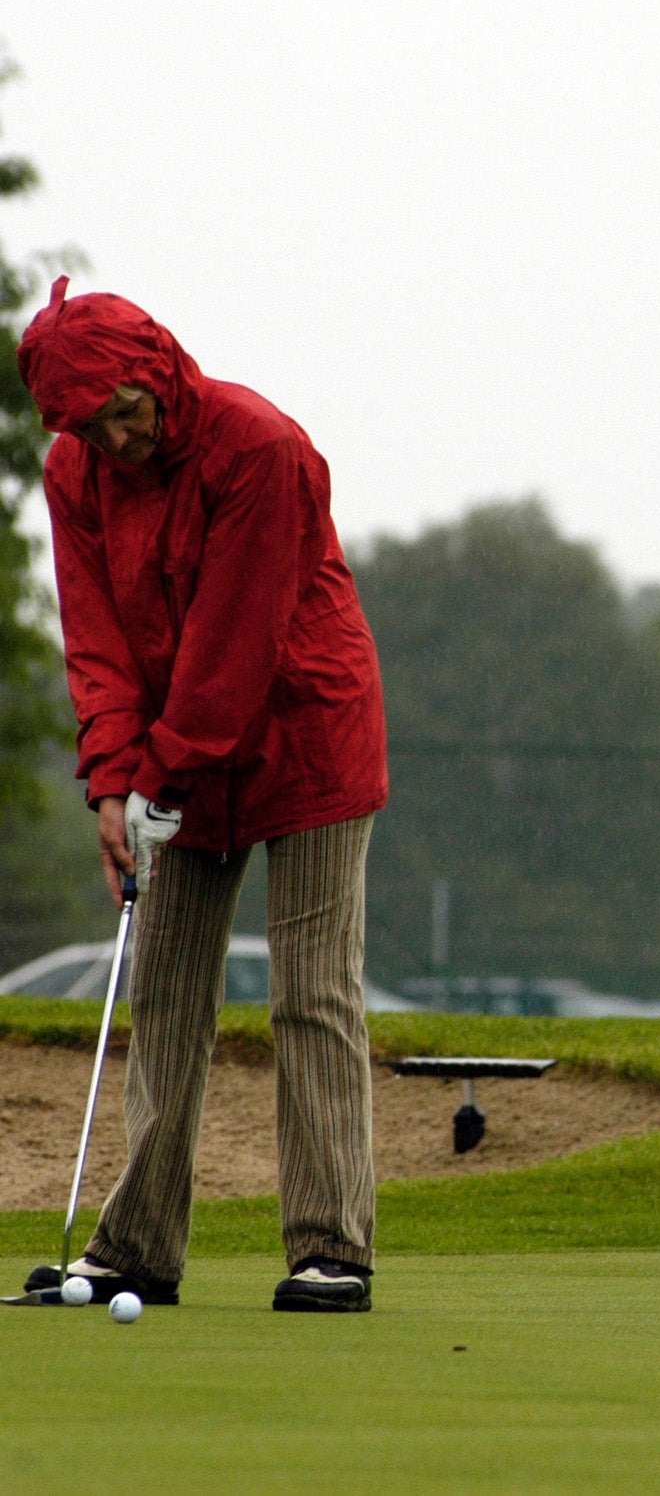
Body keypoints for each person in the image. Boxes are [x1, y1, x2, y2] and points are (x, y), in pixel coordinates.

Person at [14, 277, 388, 1312]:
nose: (119, 438)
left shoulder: (259, 447)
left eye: (126, 408)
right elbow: (94, 637)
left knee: (311, 994)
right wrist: (111, 780)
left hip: (306, 732)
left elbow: (235, 638)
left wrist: (160, 775)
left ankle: (330, 1248)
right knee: (165, 993)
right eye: (93, 425)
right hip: (176, 753)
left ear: (159, 366)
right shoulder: (74, 473)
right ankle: (135, 1246)